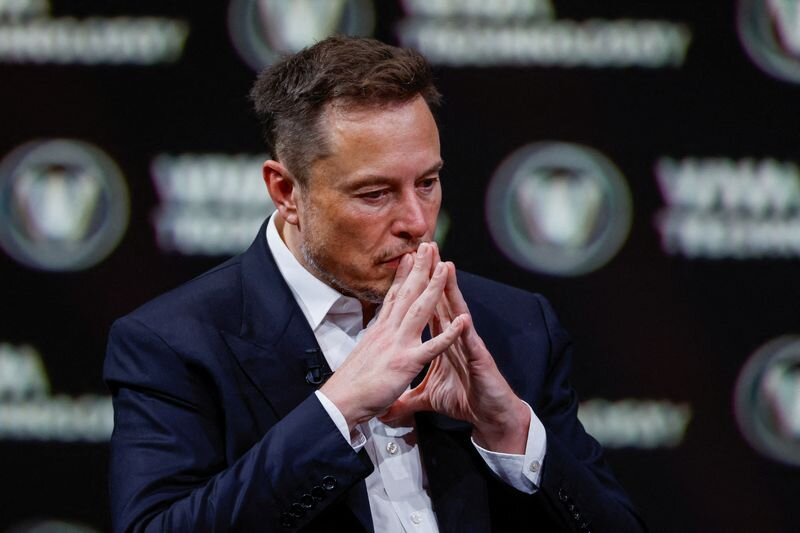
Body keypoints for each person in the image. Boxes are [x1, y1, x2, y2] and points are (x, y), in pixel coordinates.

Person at [104, 36, 646, 532]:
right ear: (286, 191)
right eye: (375, 194)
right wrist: (337, 409)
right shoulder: (174, 344)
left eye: (427, 182)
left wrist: (509, 431)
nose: (417, 220)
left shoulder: (514, 326)